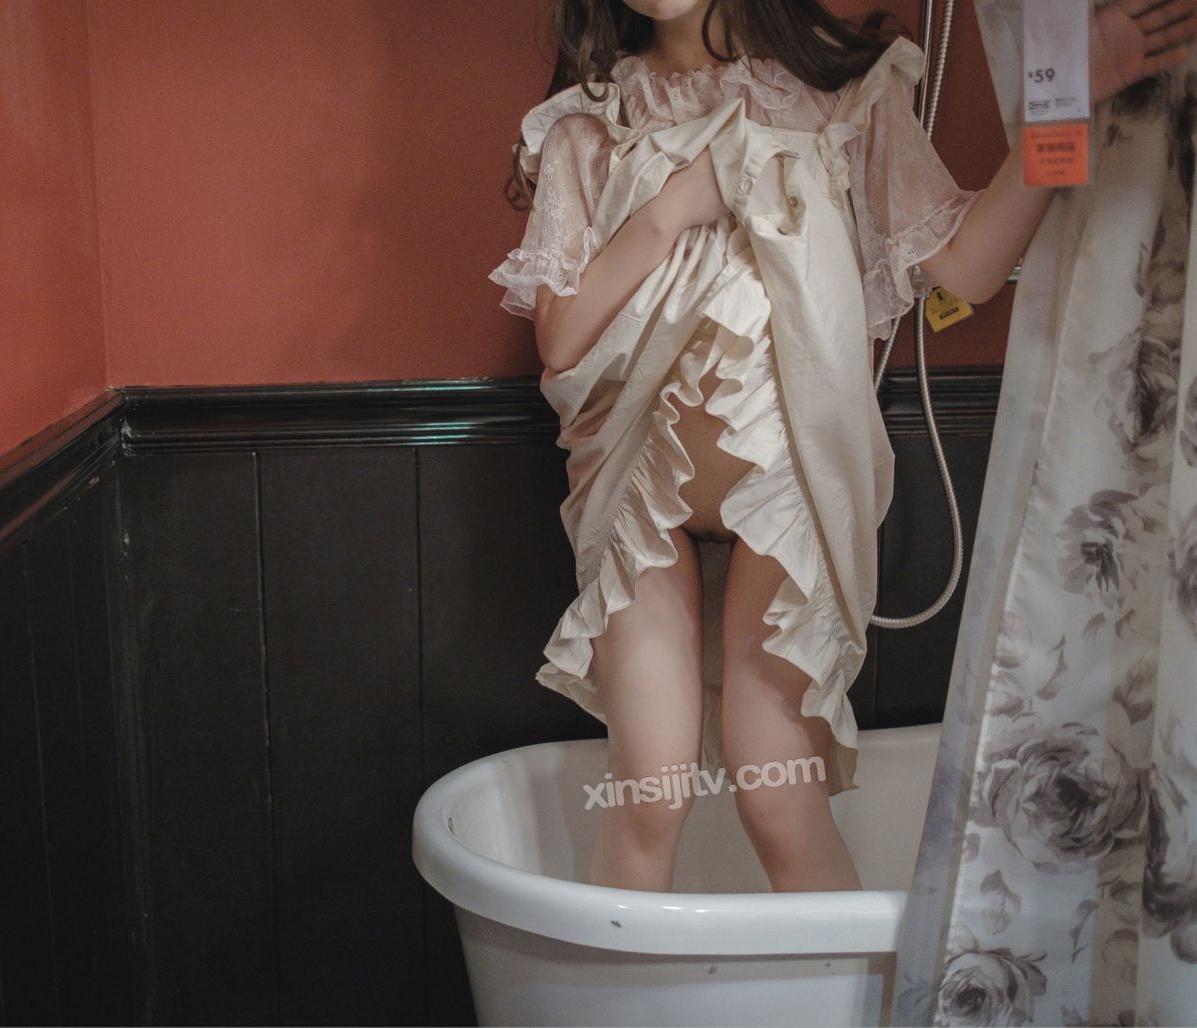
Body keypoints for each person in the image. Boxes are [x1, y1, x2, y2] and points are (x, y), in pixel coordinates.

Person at [488, 0, 1196, 895]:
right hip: (637, 496)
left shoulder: (843, 94)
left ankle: (832, 974)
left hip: (793, 490)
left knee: (776, 789)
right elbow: (559, 338)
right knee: (650, 792)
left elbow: (972, 268)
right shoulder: (595, 116)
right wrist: (667, 212)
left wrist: (1067, 103)